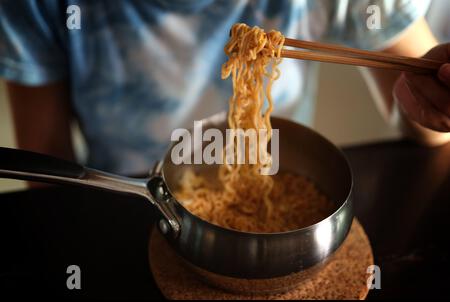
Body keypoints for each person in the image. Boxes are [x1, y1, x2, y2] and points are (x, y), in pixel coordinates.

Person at [1, 0, 449, 177]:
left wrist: (433, 108)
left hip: (274, 180)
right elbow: (47, 160)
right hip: (127, 203)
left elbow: (428, 121)